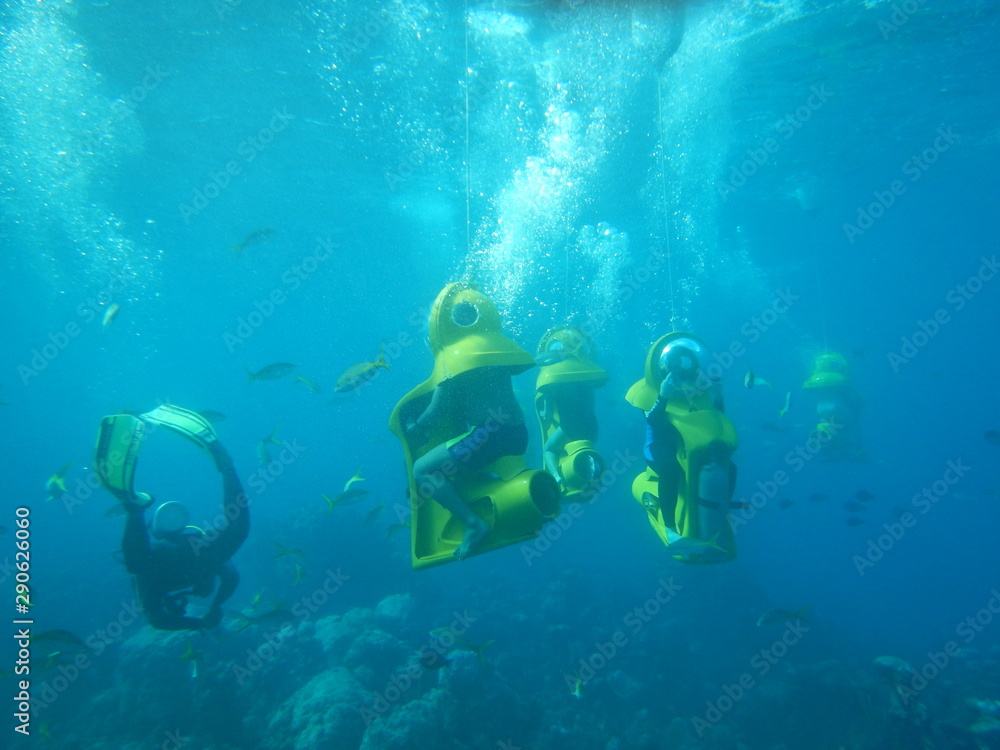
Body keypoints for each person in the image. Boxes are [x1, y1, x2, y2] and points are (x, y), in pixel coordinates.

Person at [97, 405, 249, 630]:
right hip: (189, 550)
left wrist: (204, 617)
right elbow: (231, 577)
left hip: (172, 556)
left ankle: (226, 468)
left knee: (237, 531)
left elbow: (158, 620)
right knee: (136, 564)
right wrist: (212, 609)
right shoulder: (207, 564)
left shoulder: (152, 587)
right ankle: (136, 509)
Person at [626, 334, 738, 562]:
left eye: (683, 363)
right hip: (659, 446)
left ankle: (720, 512)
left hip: (690, 446)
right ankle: (670, 528)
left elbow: (714, 420)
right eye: (671, 363)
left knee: (731, 468)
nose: (677, 369)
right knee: (670, 469)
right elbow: (654, 421)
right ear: (662, 366)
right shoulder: (651, 390)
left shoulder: (699, 389)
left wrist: (718, 396)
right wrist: (663, 396)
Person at [406, 365, 528, 560]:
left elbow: (436, 410)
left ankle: (473, 523)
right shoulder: (492, 358)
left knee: (421, 469)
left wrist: (416, 425)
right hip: (518, 433)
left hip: (488, 436)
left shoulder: (453, 366)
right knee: (462, 453)